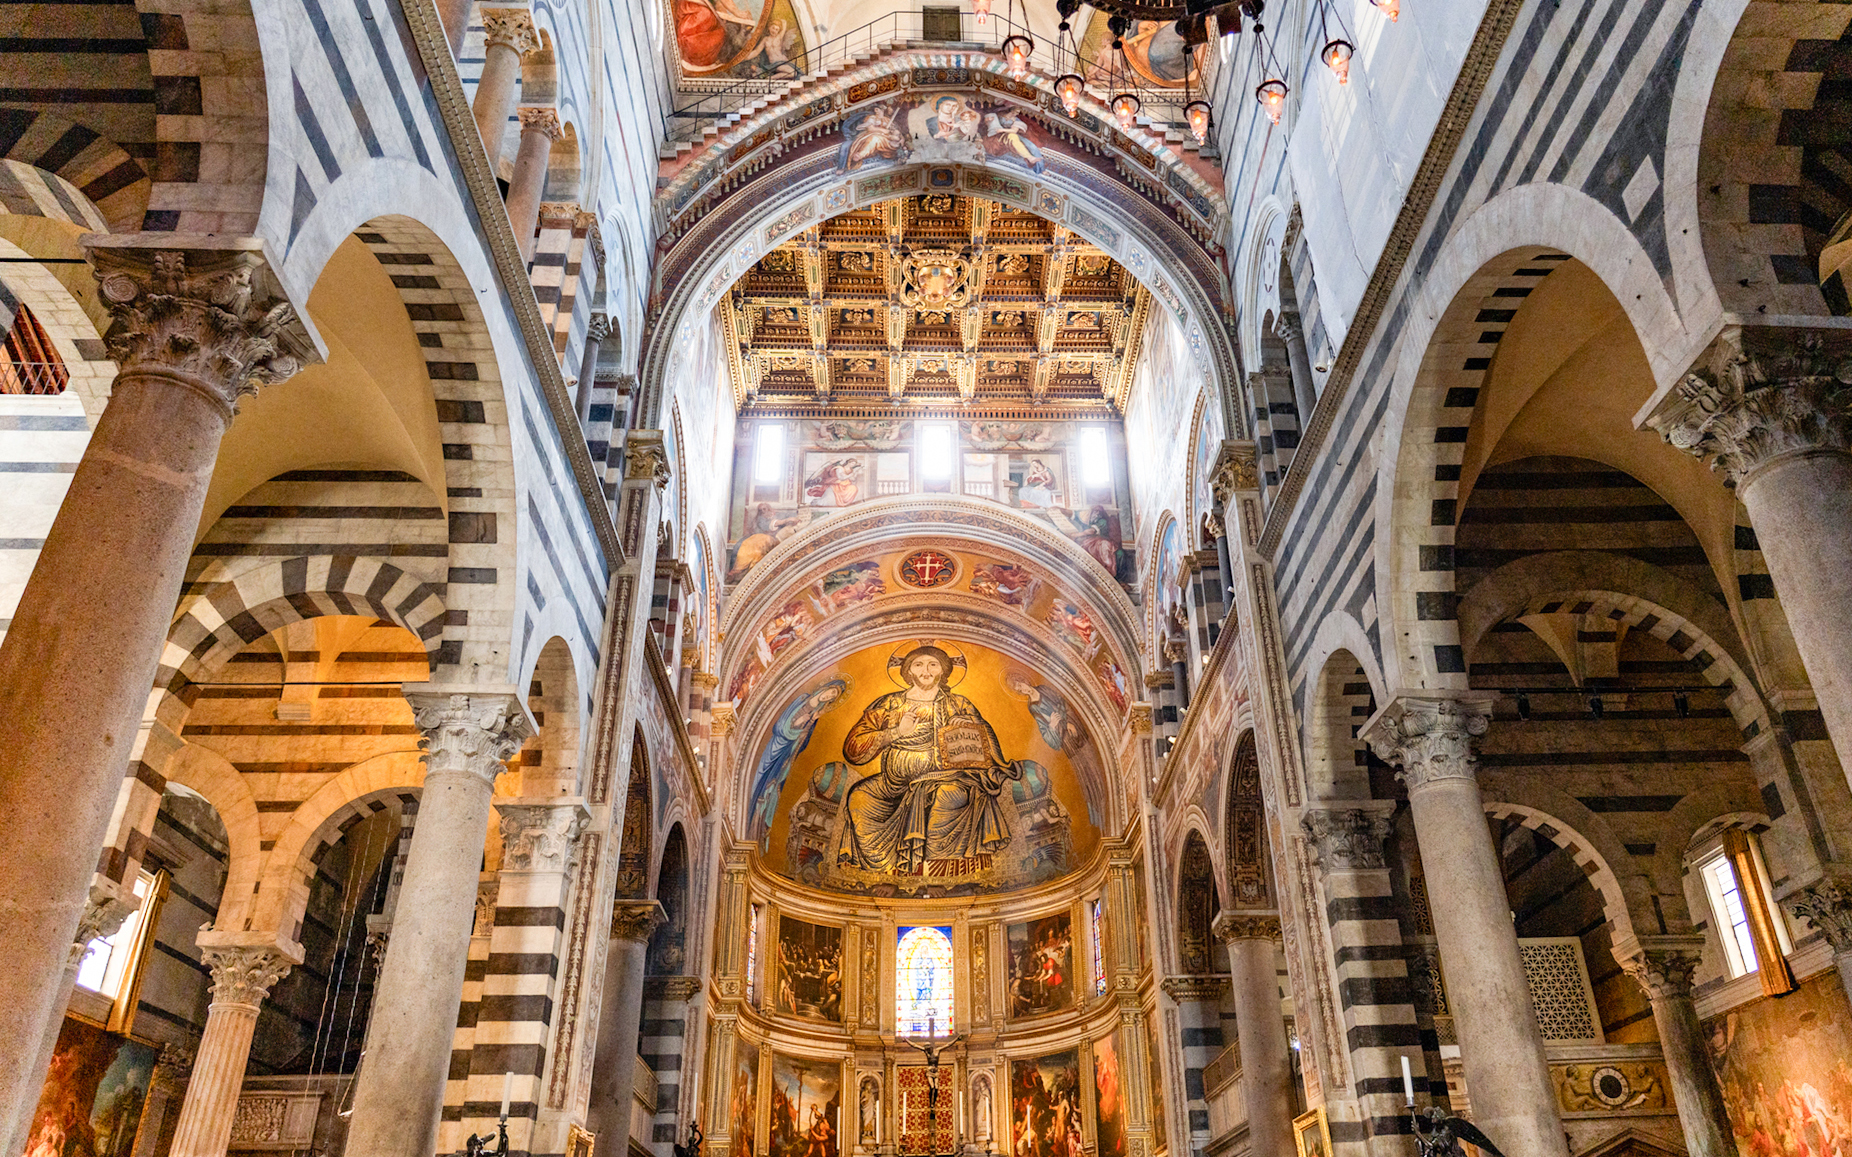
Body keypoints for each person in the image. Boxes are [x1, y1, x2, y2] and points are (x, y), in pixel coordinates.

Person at [836, 646, 1022, 874]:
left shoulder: (959, 704)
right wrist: (895, 732)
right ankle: (888, 872)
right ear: (908, 672)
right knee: (859, 798)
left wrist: (970, 727)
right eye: (918, 664)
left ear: (943, 671)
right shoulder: (889, 704)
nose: (926, 670)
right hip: (893, 785)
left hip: (947, 778)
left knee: (949, 796)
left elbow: (985, 746)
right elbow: (853, 748)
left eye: (933, 664)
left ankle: (937, 874)